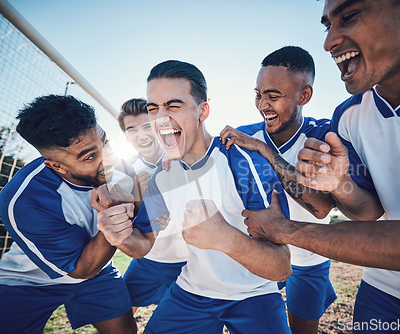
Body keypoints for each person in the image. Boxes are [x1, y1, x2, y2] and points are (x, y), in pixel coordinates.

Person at [242, 0, 400, 331]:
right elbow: (366, 212)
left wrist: (281, 229)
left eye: (349, 16)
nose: (328, 41)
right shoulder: (349, 115)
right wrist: (340, 184)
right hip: (381, 289)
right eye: (328, 25)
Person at [97, 60, 293, 334]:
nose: (161, 119)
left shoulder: (245, 162)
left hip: (254, 294)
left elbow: (281, 268)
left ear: (203, 111)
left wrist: (226, 238)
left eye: (173, 106)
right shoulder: (162, 176)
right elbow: (143, 244)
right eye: (154, 109)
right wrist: (119, 236)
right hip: (191, 291)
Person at [0, 95, 151, 334]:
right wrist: (113, 212)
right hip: (31, 280)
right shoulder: (22, 200)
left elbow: (138, 235)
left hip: (99, 271)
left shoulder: (121, 168)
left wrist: (137, 201)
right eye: (89, 156)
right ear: (56, 166)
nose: (107, 159)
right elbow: (81, 269)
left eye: (105, 142)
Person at [220, 46, 336, 334]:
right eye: (258, 95)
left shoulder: (323, 135)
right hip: (262, 255)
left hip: (310, 258)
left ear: (304, 95)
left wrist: (265, 152)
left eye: (274, 96)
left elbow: (321, 209)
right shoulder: (242, 135)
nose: (262, 105)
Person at [116, 98, 188, 314]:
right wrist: (139, 201)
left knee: (186, 320)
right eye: (132, 130)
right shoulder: (123, 173)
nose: (142, 135)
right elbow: (127, 227)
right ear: (126, 136)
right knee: (120, 312)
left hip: (189, 261)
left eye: (147, 126)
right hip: (148, 260)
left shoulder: (187, 158)